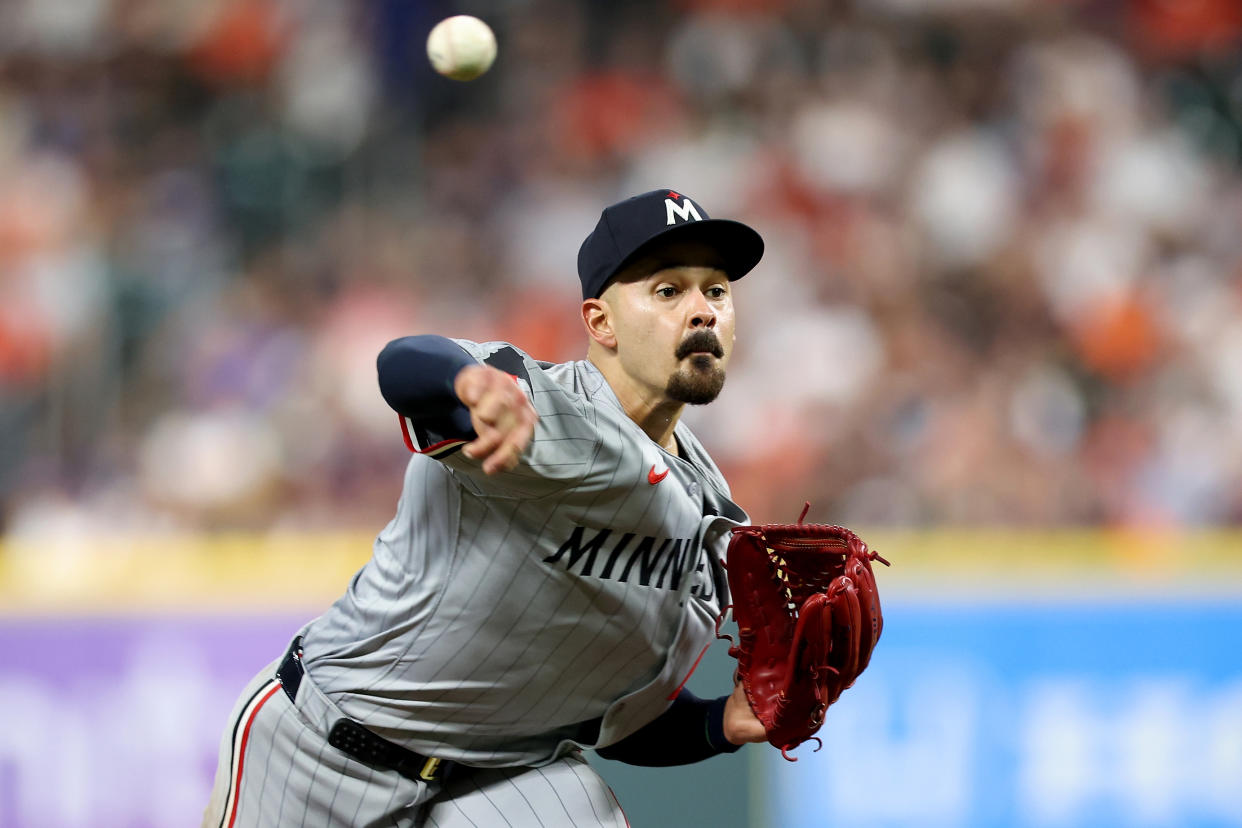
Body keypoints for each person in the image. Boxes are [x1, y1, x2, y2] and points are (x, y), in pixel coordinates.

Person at [203, 189, 770, 827]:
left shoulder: (714, 525)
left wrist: (718, 723)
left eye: (716, 291)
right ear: (600, 322)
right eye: (668, 291)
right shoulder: (542, 409)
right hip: (322, 750)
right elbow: (405, 362)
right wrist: (467, 385)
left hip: (500, 774)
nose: (701, 311)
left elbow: (611, 719)